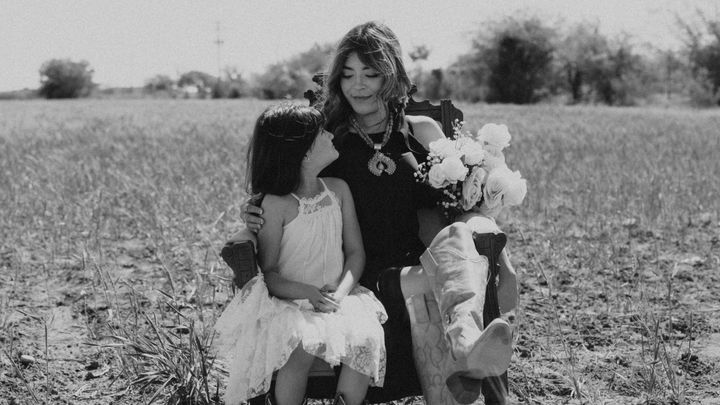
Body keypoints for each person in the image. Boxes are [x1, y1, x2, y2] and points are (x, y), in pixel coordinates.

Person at [239, 21, 517, 405]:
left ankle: (467, 342)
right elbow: (282, 176)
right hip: (362, 275)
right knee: (431, 292)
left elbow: (461, 202)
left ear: (391, 75)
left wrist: (488, 227)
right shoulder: (327, 136)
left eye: (370, 74)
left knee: (457, 241)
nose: (358, 85)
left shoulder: (422, 131)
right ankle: (466, 346)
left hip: (421, 263)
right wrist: (254, 209)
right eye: (348, 74)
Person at [214, 103, 388, 405]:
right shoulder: (276, 204)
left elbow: (355, 252)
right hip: (292, 303)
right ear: (304, 151)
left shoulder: (338, 190)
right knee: (303, 346)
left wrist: (340, 294)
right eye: (322, 133)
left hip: (339, 297)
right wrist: (309, 293)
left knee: (366, 339)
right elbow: (269, 274)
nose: (330, 135)